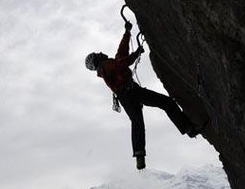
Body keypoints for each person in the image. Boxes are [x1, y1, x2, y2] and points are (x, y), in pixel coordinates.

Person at [85, 21, 202, 170]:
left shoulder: (107, 66)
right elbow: (122, 62)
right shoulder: (106, 66)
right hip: (131, 93)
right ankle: (188, 129)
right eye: (97, 54)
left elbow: (121, 53)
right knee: (165, 103)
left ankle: (140, 154)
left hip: (128, 95)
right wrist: (136, 53)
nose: (100, 52)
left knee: (138, 122)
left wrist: (127, 33)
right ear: (97, 60)